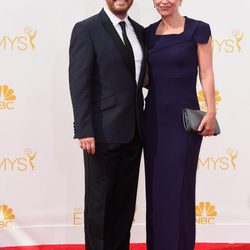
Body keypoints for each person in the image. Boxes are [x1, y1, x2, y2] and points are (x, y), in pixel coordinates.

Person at [69, 0, 146, 249]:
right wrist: (84, 129)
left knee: (124, 207)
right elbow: (79, 83)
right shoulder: (86, 29)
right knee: (99, 208)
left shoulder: (140, 31)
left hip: (134, 133)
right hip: (100, 134)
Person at [144, 0, 216, 249]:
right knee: (156, 190)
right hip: (153, 121)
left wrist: (211, 111)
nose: (163, 1)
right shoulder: (147, 34)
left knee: (180, 189)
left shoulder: (198, 30)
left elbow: (206, 73)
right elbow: (143, 76)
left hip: (183, 124)